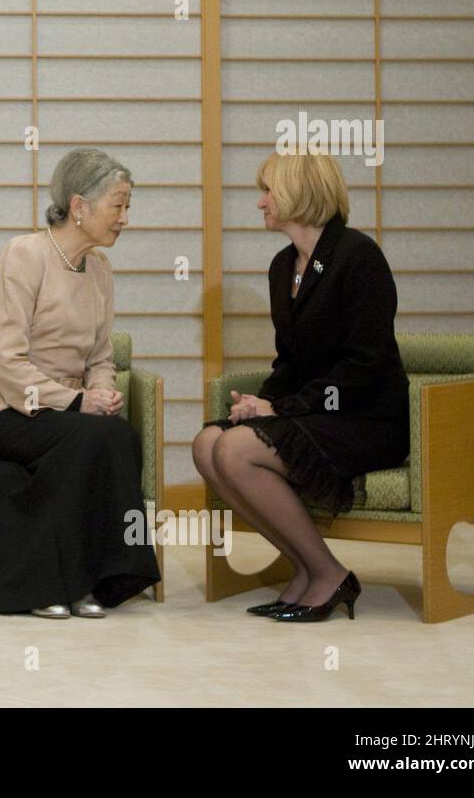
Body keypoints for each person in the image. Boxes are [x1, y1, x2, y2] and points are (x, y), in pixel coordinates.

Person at [192, 150, 409, 623]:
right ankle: (307, 569)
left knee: (234, 451)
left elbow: (364, 364)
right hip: (314, 413)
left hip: (365, 417)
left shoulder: (358, 257)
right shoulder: (282, 266)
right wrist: (262, 402)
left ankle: (328, 573)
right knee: (209, 443)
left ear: (298, 193)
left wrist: (284, 409)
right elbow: (290, 360)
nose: (260, 203)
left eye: (267, 192)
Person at [0, 148, 161, 618]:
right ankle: (66, 584)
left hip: (70, 414)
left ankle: (81, 582)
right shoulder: (24, 254)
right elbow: (6, 360)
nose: (125, 218)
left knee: (109, 434)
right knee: (97, 437)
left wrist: (103, 390)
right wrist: (76, 402)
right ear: (79, 206)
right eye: (118, 205)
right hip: (7, 410)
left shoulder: (100, 270)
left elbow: (100, 356)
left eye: (127, 206)